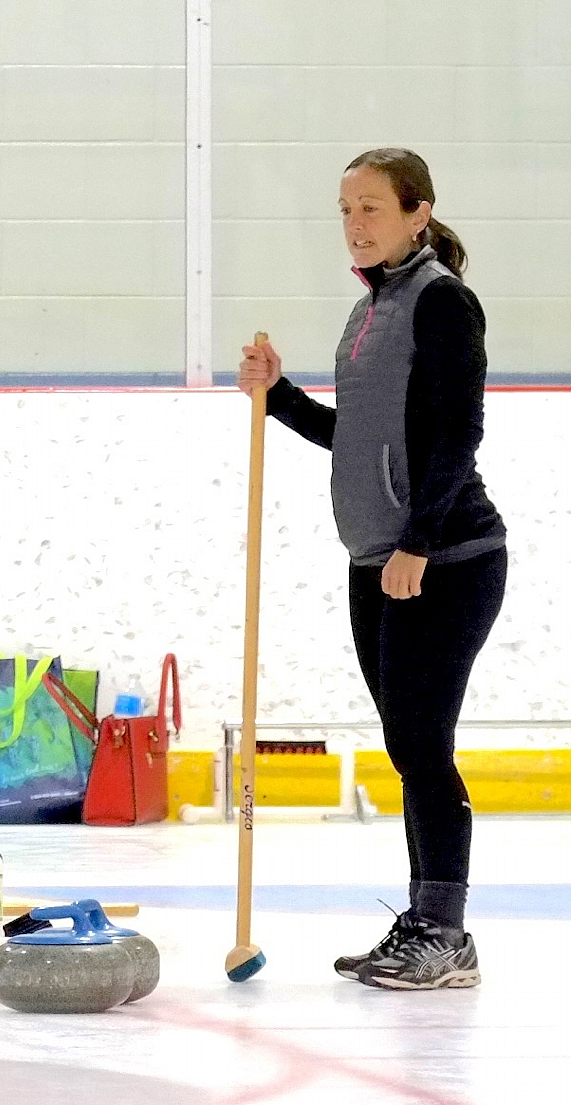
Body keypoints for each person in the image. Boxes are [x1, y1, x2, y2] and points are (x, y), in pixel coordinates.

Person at [238, 148, 505, 990]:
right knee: (407, 743)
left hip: (447, 557)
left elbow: (459, 435)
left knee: (423, 743)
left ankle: (443, 931)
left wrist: (419, 544)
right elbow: (355, 437)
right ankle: (425, 922)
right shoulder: (371, 310)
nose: (355, 224)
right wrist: (278, 397)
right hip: (376, 559)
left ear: (418, 212)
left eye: (372, 209)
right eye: (345, 210)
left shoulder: (441, 302)